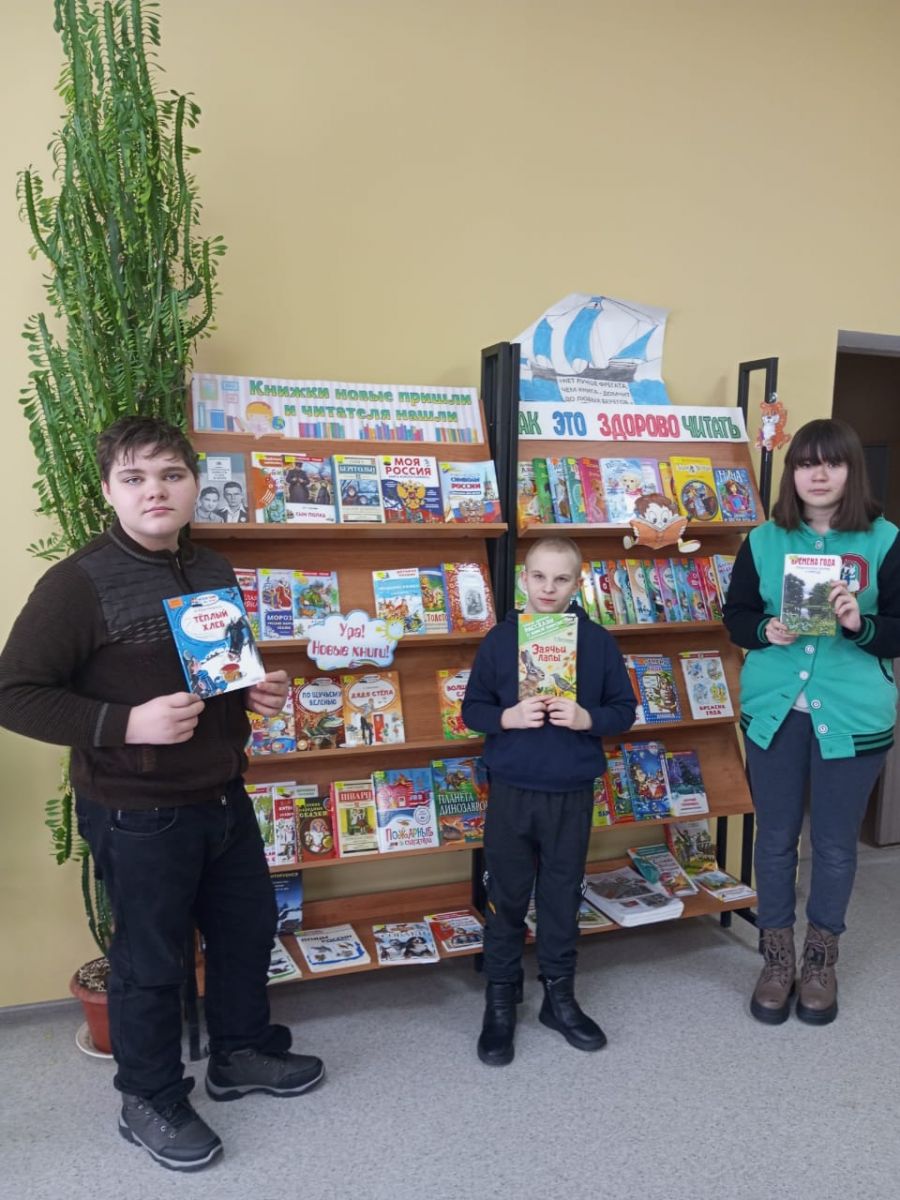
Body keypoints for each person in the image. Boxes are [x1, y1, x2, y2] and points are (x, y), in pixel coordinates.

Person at [0, 416, 324, 1173]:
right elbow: (14, 693)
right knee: (150, 962)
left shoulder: (210, 565)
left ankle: (238, 1053)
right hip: (137, 811)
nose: (156, 491)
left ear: (193, 485)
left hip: (222, 795)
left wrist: (255, 691)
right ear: (108, 491)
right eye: (135, 478)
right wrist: (126, 722)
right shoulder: (77, 583)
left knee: (246, 933)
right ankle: (147, 1097)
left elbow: (218, 669)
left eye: (171, 475)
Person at [723, 418, 900, 1027]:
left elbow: (898, 630)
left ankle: (821, 961)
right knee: (775, 839)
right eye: (805, 463)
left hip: (854, 717)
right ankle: (777, 959)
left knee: (833, 844)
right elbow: (736, 615)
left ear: (852, 471)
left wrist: (859, 625)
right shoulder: (763, 540)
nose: (818, 475)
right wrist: (764, 630)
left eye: (832, 463)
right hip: (775, 713)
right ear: (792, 473)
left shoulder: (885, 540)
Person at [461, 535, 636, 1066]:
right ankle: (500, 999)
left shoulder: (597, 642)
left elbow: (623, 710)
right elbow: (472, 709)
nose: (548, 588)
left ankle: (559, 996)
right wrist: (507, 717)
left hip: (570, 793)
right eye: (539, 576)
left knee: (561, 897)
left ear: (577, 583)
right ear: (524, 579)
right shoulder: (501, 640)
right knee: (507, 896)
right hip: (512, 790)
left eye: (561, 579)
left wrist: (587, 718)